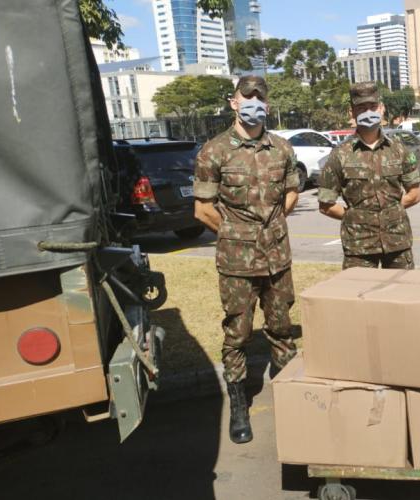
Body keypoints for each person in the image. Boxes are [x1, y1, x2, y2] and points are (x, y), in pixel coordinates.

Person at [193, 76, 300, 443]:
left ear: (267, 106)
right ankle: (239, 408)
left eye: (260, 98)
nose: (253, 102)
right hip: (237, 263)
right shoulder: (214, 151)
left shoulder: (283, 148)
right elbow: (203, 210)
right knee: (237, 334)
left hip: (277, 259)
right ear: (233, 102)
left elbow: (290, 195)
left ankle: (290, 402)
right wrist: (238, 235)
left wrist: (271, 229)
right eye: (246, 96)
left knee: (282, 329)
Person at [318, 82, 420, 269]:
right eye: (361, 108)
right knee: (360, 296)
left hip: (397, 241)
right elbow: (326, 205)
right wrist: (356, 216)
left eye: (373, 107)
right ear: (352, 113)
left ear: (382, 109)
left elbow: (414, 194)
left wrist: (390, 213)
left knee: (402, 294)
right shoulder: (340, 154)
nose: (368, 112)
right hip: (359, 246)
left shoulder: (399, 149)